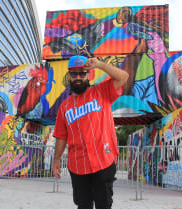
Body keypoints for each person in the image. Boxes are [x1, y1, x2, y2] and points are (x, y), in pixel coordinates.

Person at [52, 55, 129, 209]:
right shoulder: (64, 107)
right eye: (74, 74)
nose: (78, 77)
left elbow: (123, 77)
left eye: (82, 73)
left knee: (104, 204)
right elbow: (61, 136)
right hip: (77, 165)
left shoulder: (101, 91)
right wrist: (56, 159)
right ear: (69, 76)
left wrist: (100, 64)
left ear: (89, 75)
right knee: (83, 205)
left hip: (103, 161)